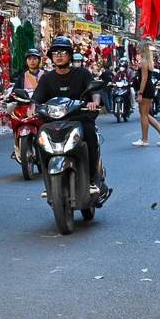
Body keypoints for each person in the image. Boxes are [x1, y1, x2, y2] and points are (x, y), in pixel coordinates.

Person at [32, 36, 109, 202]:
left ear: (70, 55)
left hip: (79, 118)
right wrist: (32, 109)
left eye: (63, 52)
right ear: (51, 56)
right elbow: (36, 99)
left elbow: (95, 91)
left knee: (89, 132)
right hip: (53, 121)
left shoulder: (82, 73)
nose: (59, 55)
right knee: (39, 138)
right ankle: (48, 181)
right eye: (55, 52)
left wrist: (94, 102)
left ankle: (91, 179)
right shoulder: (47, 78)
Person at [133, 49, 160, 147]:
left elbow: (144, 79)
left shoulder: (144, 62)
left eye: (139, 48)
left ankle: (145, 139)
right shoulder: (148, 61)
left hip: (146, 89)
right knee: (145, 114)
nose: (138, 50)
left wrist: (140, 93)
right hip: (149, 88)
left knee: (143, 115)